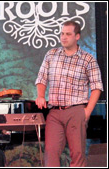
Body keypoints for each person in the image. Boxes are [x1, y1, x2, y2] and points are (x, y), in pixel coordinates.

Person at [35, 20, 103, 167]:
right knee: (51, 151)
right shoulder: (51, 55)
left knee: (77, 153)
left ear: (77, 36)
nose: (64, 37)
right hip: (55, 111)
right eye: (62, 33)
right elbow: (41, 78)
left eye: (68, 34)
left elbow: (97, 87)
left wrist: (87, 112)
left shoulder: (88, 59)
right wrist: (40, 95)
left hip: (76, 110)